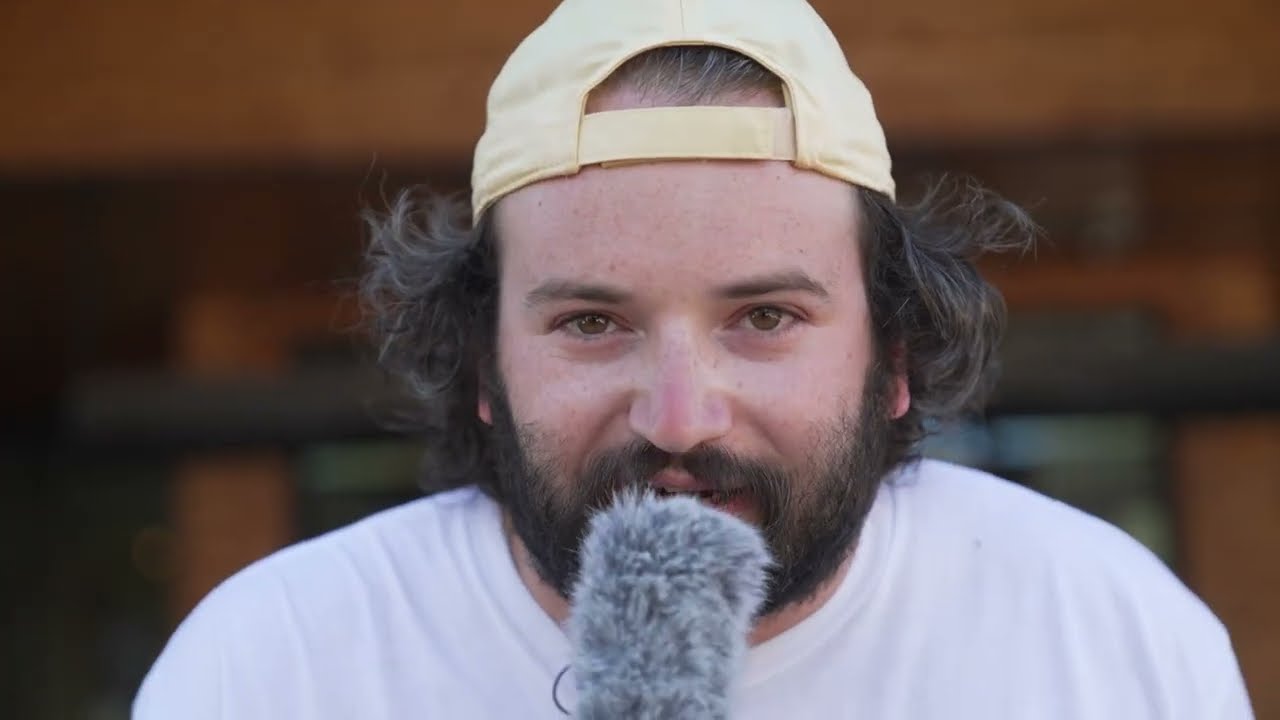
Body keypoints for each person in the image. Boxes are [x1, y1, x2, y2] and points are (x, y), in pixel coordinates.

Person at [133, 0, 1255, 717]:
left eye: (763, 317)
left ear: (895, 358)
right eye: (589, 323)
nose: (678, 419)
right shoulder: (272, 666)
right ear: (481, 369)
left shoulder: (1107, 636)